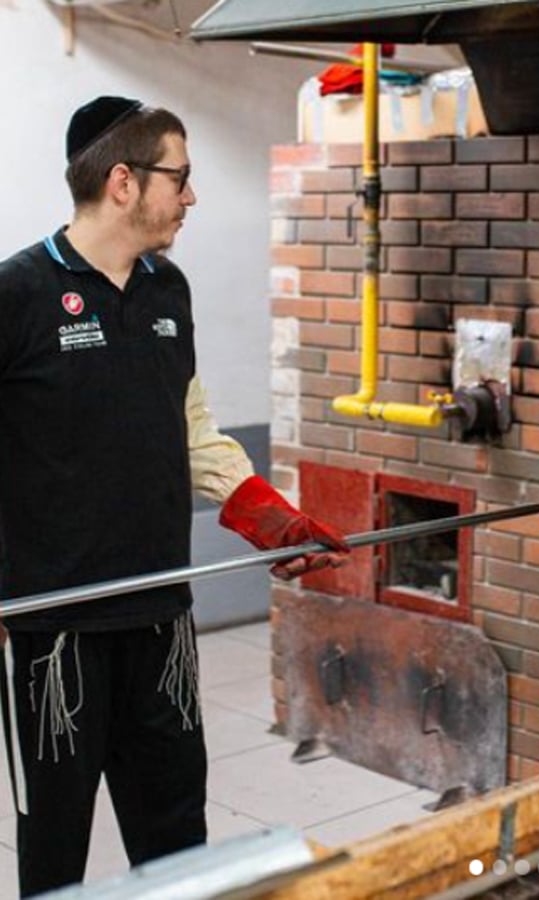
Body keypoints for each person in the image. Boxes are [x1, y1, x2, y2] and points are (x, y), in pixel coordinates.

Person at [0, 95, 349, 897]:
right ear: (123, 181)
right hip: (56, 632)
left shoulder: (168, 290)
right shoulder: (17, 293)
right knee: (54, 848)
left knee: (179, 841)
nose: (191, 197)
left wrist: (271, 520)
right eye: (179, 178)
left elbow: (189, 428)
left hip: (161, 617)